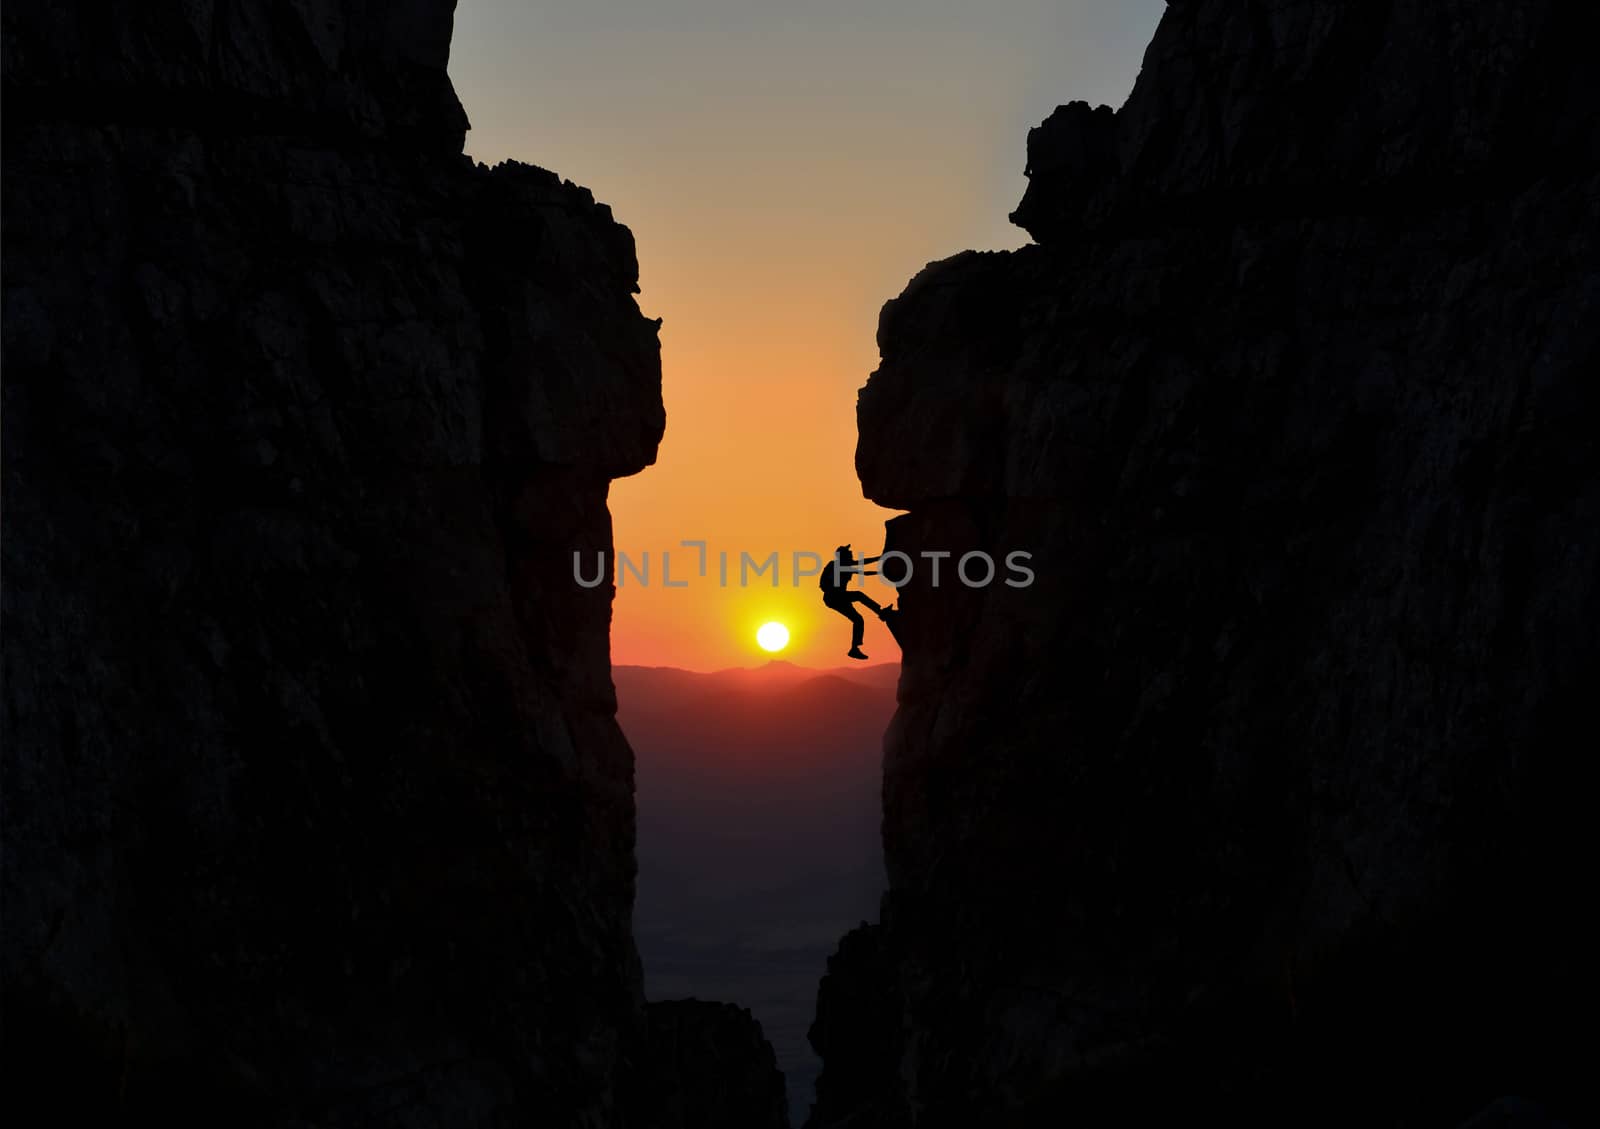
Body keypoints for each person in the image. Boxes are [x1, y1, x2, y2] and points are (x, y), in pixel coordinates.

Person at [819, 544, 894, 660]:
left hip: (838, 597)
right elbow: (862, 564)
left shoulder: (845, 565)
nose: (851, 556)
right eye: (849, 554)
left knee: (858, 619)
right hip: (834, 597)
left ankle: (854, 649)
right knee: (859, 595)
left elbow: (863, 570)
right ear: (843, 556)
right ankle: (880, 612)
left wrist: (879, 567)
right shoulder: (835, 565)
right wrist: (880, 558)